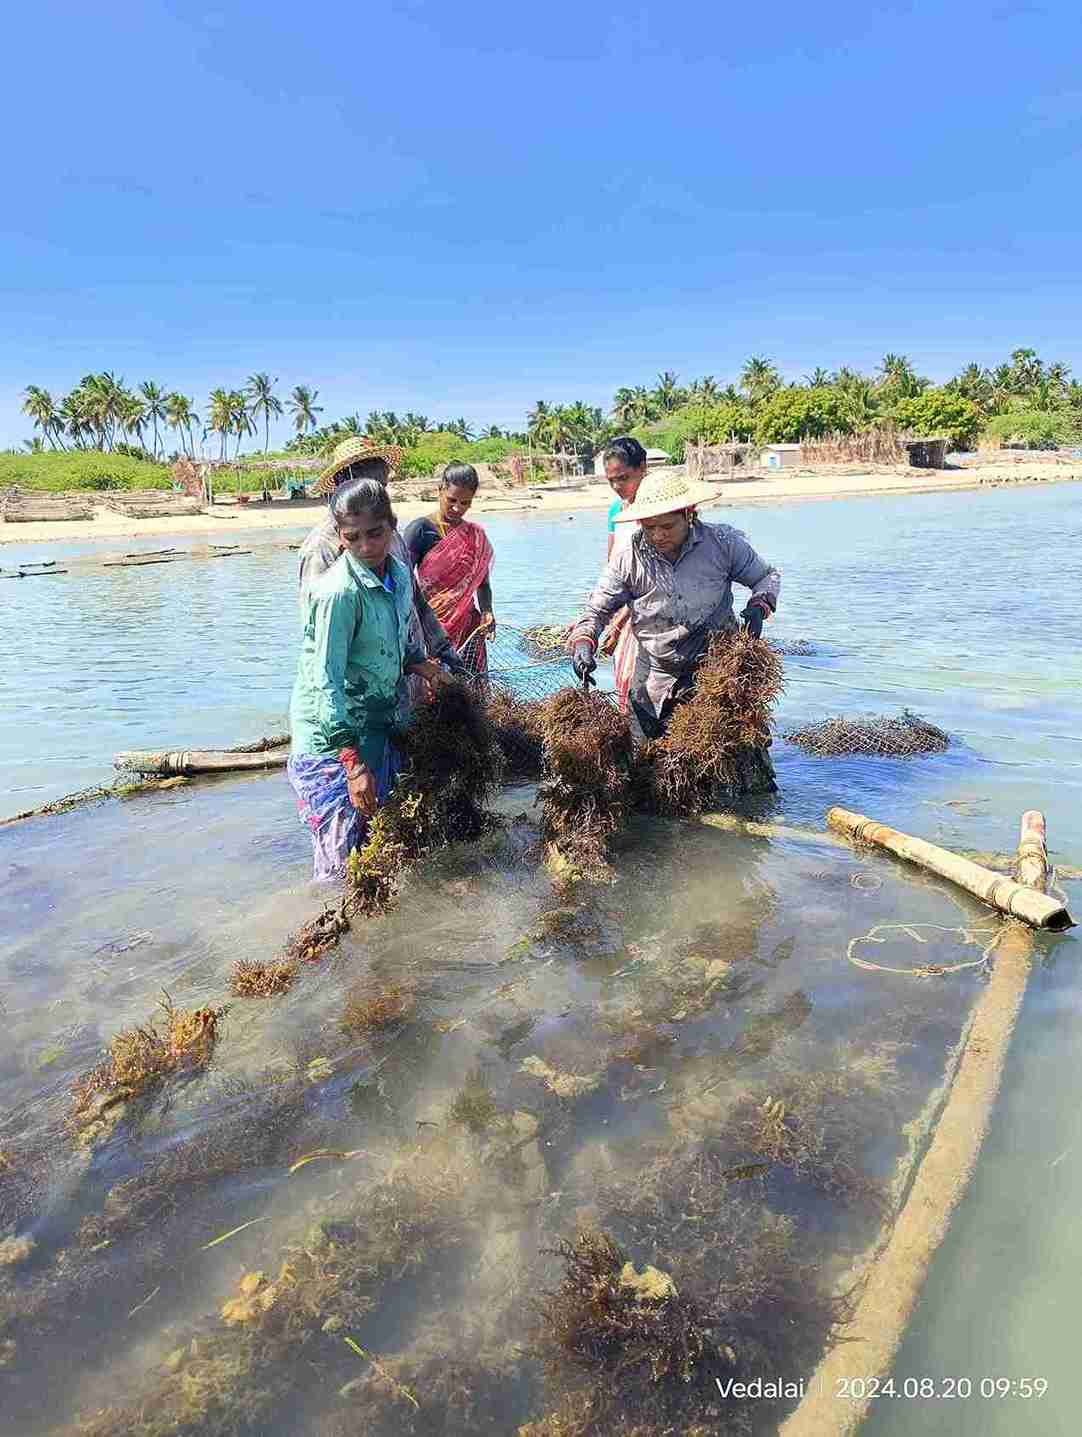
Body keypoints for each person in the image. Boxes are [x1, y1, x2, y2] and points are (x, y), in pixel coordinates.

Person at [288, 478, 452, 882]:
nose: (366, 547)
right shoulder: (338, 593)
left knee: (381, 846)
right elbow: (326, 681)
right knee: (340, 868)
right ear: (340, 537)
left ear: (392, 525)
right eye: (353, 537)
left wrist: (422, 665)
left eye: (375, 533)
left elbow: (397, 641)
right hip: (332, 742)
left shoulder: (397, 573)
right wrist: (352, 765)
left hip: (376, 725)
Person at [569, 469, 780, 741]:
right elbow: (596, 610)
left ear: (689, 514)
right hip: (655, 673)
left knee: (733, 756)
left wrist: (759, 606)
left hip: (717, 675)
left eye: (667, 526)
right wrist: (584, 641)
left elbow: (766, 576)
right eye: (649, 527)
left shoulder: (722, 544)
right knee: (645, 765)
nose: (658, 536)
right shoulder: (628, 560)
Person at [298, 436, 465, 687]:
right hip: (356, 692)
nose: (367, 544)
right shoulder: (322, 547)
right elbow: (319, 638)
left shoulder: (389, 533)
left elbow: (413, 596)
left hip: (403, 681)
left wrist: (440, 646)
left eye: (381, 491)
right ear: (345, 485)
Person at [403, 463, 495, 674]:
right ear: (440, 491)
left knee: (471, 684)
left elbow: (483, 583)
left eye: (465, 503)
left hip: (469, 627)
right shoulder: (420, 530)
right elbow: (403, 580)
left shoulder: (475, 535)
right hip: (432, 627)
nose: (458, 508)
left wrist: (488, 610)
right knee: (436, 691)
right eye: (451, 500)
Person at [599, 436, 648, 712]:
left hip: (650, 612)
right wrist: (601, 614)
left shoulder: (661, 512)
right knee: (625, 682)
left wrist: (620, 619)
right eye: (611, 480)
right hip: (622, 608)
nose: (617, 486)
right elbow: (611, 565)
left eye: (623, 477)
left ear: (643, 467)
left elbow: (655, 577)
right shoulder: (616, 510)